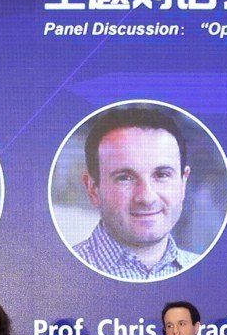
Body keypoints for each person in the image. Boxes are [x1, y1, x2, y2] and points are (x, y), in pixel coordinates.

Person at [70, 103, 202, 280]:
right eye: (125, 178)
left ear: (182, 183)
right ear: (93, 189)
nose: (147, 198)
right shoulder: (59, 273)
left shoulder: (211, 276)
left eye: (161, 175)